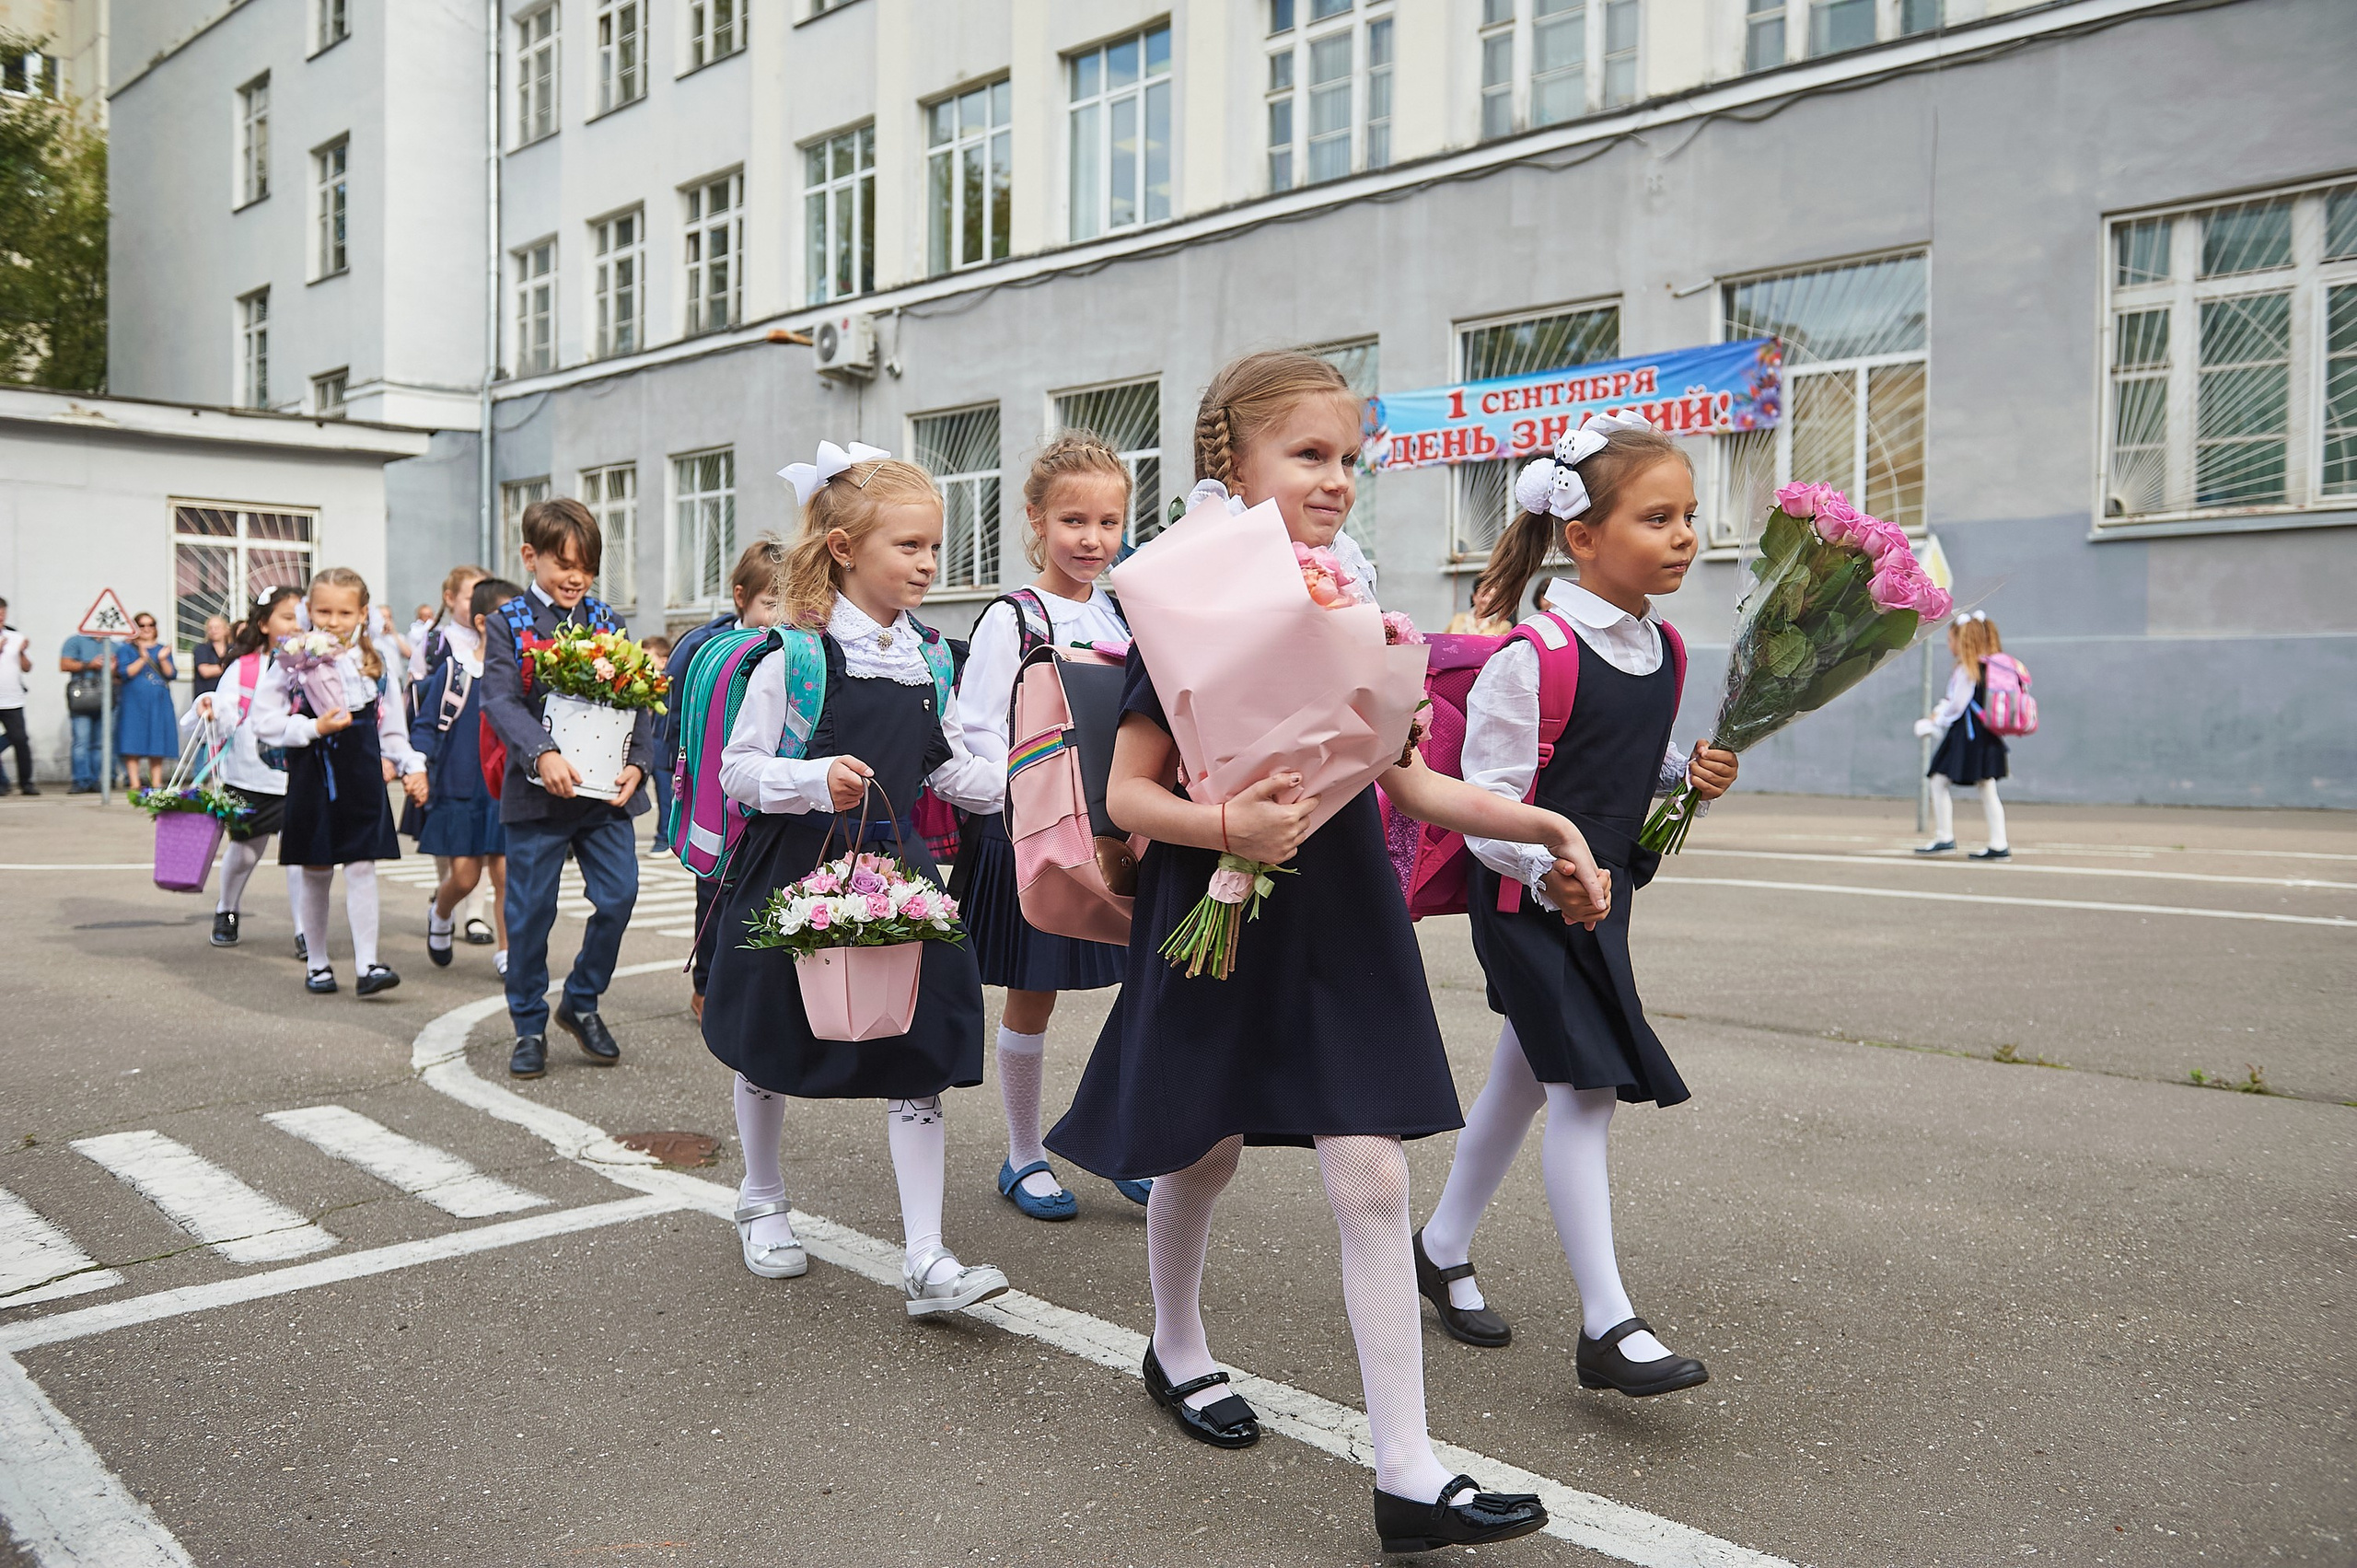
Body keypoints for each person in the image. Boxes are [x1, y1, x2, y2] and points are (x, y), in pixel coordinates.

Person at [1046, 351, 1607, 1554]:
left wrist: (1547, 826)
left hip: (1342, 911)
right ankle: (1176, 1342)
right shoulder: (1186, 606)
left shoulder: (1352, 608)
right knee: (1202, 1149)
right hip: (1221, 901)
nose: (1338, 479)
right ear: (1230, 464)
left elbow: (1404, 776)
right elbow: (1129, 796)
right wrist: (1228, 827)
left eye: (1350, 458)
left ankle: (1407, 1469)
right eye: (1309, 454)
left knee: (1374, 1169)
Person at [1414, 414, 1739, 1408]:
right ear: (1584, 537)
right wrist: (1547, 861)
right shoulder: (1534, 652)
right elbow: (1487, 801)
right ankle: (1608, 1323)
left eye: (1688, 515)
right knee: (1584, 1090)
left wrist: (1691, 772)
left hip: (1605, 897)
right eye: (1656, 517)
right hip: (1525, 896)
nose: (1683, 534)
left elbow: (1620, 758)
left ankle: (1438, 1245)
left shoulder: (1664, 645)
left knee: (1526, 1074)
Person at [699, 444, 1011, 1318]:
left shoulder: (930, 659)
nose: (926, 564)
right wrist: (812, 777)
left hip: (897, 873)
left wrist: (1041, 784)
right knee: (770, 1036)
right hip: (792, 868)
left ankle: (926, 1255)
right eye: (908, 546)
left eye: (933, 548)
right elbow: (740, 770)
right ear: (842, 548)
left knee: (918, 1048)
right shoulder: (791, 656)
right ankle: (761, 1197)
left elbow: (946, 768)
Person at [953, 431, 1140, 1221]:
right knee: (1034, 996)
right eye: (1072, 520)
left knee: (1148, 990)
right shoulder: (1014, 617)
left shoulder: (1130, 610)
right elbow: (975, 730)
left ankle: (1132, 1139)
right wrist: (1038, 792)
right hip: (1042, 836)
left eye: (1107, 521)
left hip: (1127, 832)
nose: (1091, 539)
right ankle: (1024, 1153)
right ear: (1034, 519)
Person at [481, 499, 649, 1079]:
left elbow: (640, 701)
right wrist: (541, 752)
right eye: (562, 563)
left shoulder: (609, 623)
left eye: (587, 564)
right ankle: (528, 1023)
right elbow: (499, 700)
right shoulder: (508, 624)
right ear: (530, 556)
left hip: (605, 796)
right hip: (537, 795)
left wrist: (641, 764)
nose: (576, 576)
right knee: (529, 915)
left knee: (620, 895)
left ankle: (580, 999)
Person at [251, 567, 429, 996]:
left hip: (362, 774)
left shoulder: (375, 663)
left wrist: (410, 765)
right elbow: (264, 720)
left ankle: (367, 964)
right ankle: (317, 963)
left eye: (344, 612)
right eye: (324, 611)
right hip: (313, 771)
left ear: (363, 614)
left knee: (362, 865)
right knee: (316, 870)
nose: (333, 621)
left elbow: (392, 729)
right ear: (307, 611)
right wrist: (312, 730)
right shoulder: (291, 659)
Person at [659, 536, 788, 1019]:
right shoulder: (705, 646)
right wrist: (676, 786)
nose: (779, 615)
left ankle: (754, 989)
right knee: (714, 889)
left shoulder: (792, 648)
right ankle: (706, 984)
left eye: (788, 603)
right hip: (712, 791)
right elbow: (675, 723)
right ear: (741, 597)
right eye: (769, 602)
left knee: (763, 889)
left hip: (767, 790)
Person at [184, 587, 305, 949]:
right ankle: (227, 908)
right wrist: (210, 705)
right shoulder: (246, 666)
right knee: (247, 850)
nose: (296, 626)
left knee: (301, 854)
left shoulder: (318, 660)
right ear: (265, 623)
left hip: (299, 773)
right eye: (287, 617)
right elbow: (224, 710)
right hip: (250, 773)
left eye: (302, 617)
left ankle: (305, 930)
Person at [413, 577, 518, 974]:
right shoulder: (456, 671)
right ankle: (441, 914)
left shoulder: (521, 675)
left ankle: (507, 953)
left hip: (506, 788)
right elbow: (425, 726)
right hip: (460, 785)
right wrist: (416, 767)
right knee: (464, 877)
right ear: (480, 621)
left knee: (508, 874)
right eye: (505, 617)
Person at [406, 565, 492, 940]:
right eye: (472, 596)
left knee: (489, 840)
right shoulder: (435, 643)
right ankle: (448, 901)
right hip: (447, 748)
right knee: (451, 837)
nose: (479, 605)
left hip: (482, 750)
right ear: (450, 598)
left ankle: (476, 915)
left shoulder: (497, 643)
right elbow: (416, 694)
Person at [1916, 610, 2012, 860]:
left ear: (1962, 640)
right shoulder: (1988, 665)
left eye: (1950, 640)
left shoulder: (1967, 669)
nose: (1949, 646)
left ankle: (1945, 837)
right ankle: (1998, 842)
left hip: (1968, 735)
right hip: (1984, 734)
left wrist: (1935, 723)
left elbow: (1957, 704)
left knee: (1938, 780)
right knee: (1986, 787)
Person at [112, 613, 179, 793]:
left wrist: (163, 659)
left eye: (151, 624)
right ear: (135, 628)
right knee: (132, 739)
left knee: (157, 739)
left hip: (159, 701)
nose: (147, 628)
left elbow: (171, 674)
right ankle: (134, 783)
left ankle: (156, 782)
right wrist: (143, 658)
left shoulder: (163, 649)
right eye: (142, 625)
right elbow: (126, 673)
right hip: (133, 702)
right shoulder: (126, 650)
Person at [58, 627, 109, 792]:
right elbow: (64, 664)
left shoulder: (111, 644)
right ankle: (81, 781)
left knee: (100, 744)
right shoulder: (75, 641)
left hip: (107, 698)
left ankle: (96, 781)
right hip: (82, 698)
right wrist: (89, 665)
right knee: (81, 741)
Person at [640, 633, 674, 852]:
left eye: (647, 657)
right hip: (648, 746)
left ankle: (664, 839)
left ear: (663, 661)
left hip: (662, 749)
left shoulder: (669, 685)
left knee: (665, 797)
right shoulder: (645, 683)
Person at [0, 598, 33, 795]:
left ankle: (26, 783)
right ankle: (2, 784)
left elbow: (27, 667)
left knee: (20, 739)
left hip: (12, 699)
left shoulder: (15, 636)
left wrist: (22, 652)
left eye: (3, 612)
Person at [191, 615, 235, 700]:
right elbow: (205, 672)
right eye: (210, 628)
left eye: (217, 627)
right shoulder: (201, 649)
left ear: (226, 630)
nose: (213, 630)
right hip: (207, 699)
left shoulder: (234, 649)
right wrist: (230, 666)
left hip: (229, 698)